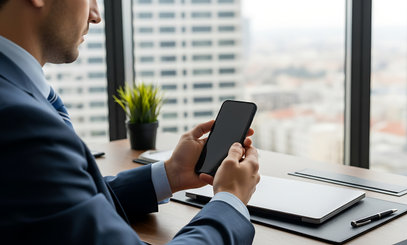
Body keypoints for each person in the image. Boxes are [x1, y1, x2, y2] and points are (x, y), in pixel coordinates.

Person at [0, 0, 260, 244]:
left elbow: (55, 202)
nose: (96, 15)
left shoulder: (15, 97)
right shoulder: (19, 122)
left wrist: (170, 174)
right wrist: (230, 200)